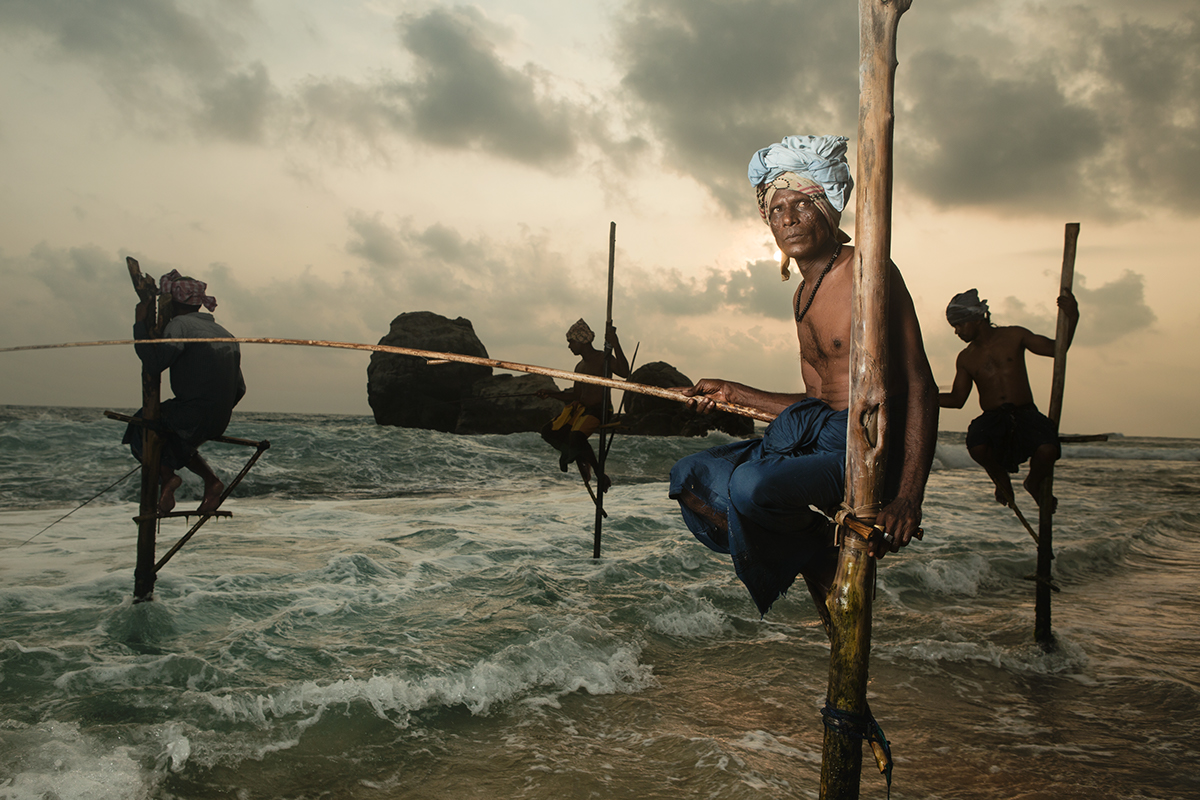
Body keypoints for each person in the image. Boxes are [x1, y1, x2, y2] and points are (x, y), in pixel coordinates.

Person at [669, 135, 938, 617]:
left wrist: (907, 498)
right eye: (775, 209)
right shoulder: (801, 296)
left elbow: (920, 385)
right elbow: (817, 404)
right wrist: (734, 393)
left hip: (865, 445)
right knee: (690, 477)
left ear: (830, 209)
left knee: (751, 487)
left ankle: (814, 555)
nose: (787, 219)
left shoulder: (869, 275)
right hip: (820, 435)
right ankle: (818, 553)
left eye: (800, 204)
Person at [937, 287, 1079, 512]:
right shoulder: (966, 358)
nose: (957, 332)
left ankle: (1033, 482)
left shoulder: (1014, 335)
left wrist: (1073, 317)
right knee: (977, 445)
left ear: (976, 318)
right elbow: (957, 398)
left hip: (1025, 412)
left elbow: (1056, 349)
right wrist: (924, 397)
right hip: (993, 417)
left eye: (960, 325)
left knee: (1048, 450)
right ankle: (1001, 481)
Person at [123, 270, 246, 514]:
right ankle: (211, 482)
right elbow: (240, 389)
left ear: (173, 302)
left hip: (191, 413)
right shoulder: (226, 334)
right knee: (178, 439)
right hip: (220, 419)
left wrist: (139, 324)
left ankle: (167, 477)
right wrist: (213, 407)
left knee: (141, 425)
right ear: (199, 303)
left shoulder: (179, 326)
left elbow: (154, 363)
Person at [537, 319, 631, 493]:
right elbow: (576, 395)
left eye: (571, 342)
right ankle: (580, 457)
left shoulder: (603, 358)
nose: (569, 346)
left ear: (581, 341)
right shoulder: (580, 366)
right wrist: (550, 393)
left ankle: (599, 474)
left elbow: (625, 372)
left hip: (599, 410)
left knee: (577, 437)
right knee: (548, 431)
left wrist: (615, 343)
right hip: (581, 410)